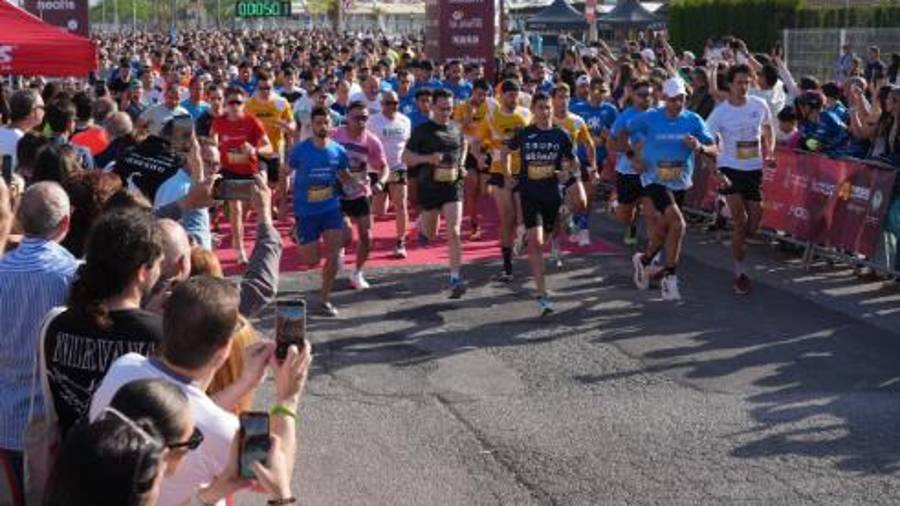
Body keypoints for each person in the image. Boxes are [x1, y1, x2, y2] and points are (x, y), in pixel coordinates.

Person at [89, 275, 303, 505]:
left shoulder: (124, 366)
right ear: (224, 349)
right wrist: (287, 400)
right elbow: (274, 478)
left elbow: (190, 410)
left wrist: (244, 383)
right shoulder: (224, 431)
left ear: (165, 324)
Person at [42, 207, 165, 438]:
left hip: (71, 463)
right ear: (142, 272)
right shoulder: (161, 336)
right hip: (133, 468)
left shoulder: (56, 325)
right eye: (159, 263)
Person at [0, 182, 77, 501]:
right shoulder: (73, 274)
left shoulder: (3, 271)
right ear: (65, 223)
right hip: (50, 421)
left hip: (5, 417)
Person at [628, 77, 718, 301]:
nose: (678, 104)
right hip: (654, 180)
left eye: (682, 99)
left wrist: (699, 146)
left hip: (679, 181)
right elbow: (621, 134)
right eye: (673, 99)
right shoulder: (649, 118)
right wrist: (634, 158)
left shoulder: (693, 119)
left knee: (667, 229)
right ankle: (670, 278)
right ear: (664, 98)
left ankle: (645, 260)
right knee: (678, 223)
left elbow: (714, 148)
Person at [705, 64, 775, 295]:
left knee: (753, 225)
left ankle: (724, 215)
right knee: (741, 219)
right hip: (730, 169)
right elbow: (707, 139)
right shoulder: (721, 112)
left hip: (753, 169)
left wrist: (770, 150)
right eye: (739, 83)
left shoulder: (759, 105)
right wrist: (714, 166)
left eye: (747, 82)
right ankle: (739, 272)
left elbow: (767, 129)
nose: (743, 87)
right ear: (730, 84)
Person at [508, 92, 579, 315]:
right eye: (540, 108)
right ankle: (542, 294)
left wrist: (566, 172)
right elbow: (506, 151)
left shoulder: (562, 134)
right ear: (533, 110)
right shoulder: (525, 133)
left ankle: (530, 233)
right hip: (530, 194)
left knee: (548, 236)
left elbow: (573, 162)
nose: (545, 112)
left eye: (548, 107)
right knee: (536, 243)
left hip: (552, 196)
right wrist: (509, 173)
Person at [403, 88, 468, 299]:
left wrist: (462, 165)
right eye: (442, 108)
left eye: (449, 109)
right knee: (430, 235)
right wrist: (428, 159)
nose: (446, 113)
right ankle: (423, 224)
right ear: (432, 107)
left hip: (452, 187)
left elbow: (463, 145)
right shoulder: (422, 131)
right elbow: (406, 157)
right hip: (429, 189)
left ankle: (455, 277)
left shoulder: (456, 129)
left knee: (455, 231)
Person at [289, 106, 353, 317]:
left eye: (326, 122)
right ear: (311, 126)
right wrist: (281, 201)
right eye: (318, 123)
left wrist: (357, 184)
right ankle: (298, 234)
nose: (323, 126)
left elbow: (344, 175)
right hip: (305, 212)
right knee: (311, 261)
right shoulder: (300, 150)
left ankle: (324, 299)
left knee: (334, 253)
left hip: (331, 208)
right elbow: (284, 171)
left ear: (331, 125)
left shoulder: (338, 151)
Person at [472, 79, 531, 281]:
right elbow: (476, 141)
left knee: (523, 219)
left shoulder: (525, 114)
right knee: (508, 218)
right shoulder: (491, 117)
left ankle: (521, 237)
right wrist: (479, 156)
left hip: (522, 170)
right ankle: (507, 266)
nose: (514, 99)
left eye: (516, 95)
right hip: (499, 170)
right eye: (510, 95)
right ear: (502, 96)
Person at [211, 86, 274, 264]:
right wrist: (214, 152)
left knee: (251, 210)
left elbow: (269, 148)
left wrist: (254, 149)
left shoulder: (252, 122)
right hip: (229, 170)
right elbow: (212, 140)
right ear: (225, 103)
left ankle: (242, 237)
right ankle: (240, 251)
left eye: (238, 102)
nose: (234, 106)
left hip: (249, 170)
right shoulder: (219, 121)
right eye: (231, 102)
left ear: (244, 103)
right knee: (235, 210)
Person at [332, 100, 389, 290]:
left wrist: (380, 182)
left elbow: (384, 167)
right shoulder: (335, 135)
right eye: (356, 118)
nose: (361, 122)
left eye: (364, 118)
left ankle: (357, 273)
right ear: (347, 117)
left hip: (360, 192)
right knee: (346, 236)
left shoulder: (371, 140)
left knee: (367, 237)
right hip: (337, 192)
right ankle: (338, 252)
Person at [571, 78, 618, 246]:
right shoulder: (577, 108)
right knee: (577, 197)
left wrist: (607, 138)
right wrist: (586, 139)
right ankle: (577, 221)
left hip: (596, 160)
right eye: (598, 90)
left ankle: (582, 226)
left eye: (604, 91)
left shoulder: (610, 110)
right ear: (590, 91)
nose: (601, 95)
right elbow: (568, 130)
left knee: (589, 196)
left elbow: (618, 134)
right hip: (578, 157)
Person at [245, 70, 296, 222]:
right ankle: (265, 213)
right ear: (256, 88)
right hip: (259, 151)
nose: (265, 91)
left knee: (276, 185)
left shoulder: (281, 103)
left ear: (272, 86)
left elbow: (292, 123)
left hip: (276, 149)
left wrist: (287, 126)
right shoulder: (250, 104)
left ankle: (272, 207)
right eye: (261, 88)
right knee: (262, 182)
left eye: (268, 88)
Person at [368, 90, 412, 258]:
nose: (392, 106)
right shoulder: (373, 121)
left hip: (398, 167)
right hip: (377, 169)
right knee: (377, 210)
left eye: (395, 103)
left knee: (401, 205)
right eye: (388, 103)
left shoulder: (405, 121)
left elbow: (407, 143)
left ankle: (401, 242)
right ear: (381, 104)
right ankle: (368, 238)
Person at [453, 78, 495, 241]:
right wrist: (468, 118)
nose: (482, 98)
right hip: (468, 151)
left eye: (485, 95)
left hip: (485, 150)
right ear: (473, 92)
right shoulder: (462, 107)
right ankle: (474, 224)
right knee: (471, 190)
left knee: (485, 191)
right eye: (479, 94)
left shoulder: (490, 106)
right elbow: (456, 129)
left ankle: (480, 221)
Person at [114, 117, 185, 202]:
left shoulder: (129, 152)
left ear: (161, 132)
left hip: (117, 207)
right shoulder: (177, 164)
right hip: (147, 212)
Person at [0, 90, 45, 170]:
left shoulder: (2, 132)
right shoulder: (24, 140)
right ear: (32, 111)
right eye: (42, 107)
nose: (44, 111)